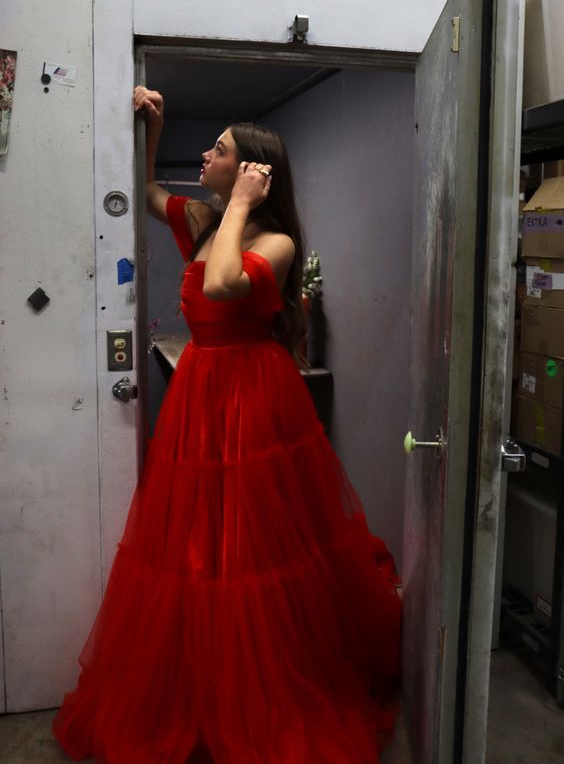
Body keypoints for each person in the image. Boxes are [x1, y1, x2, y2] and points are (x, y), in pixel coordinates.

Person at [51, 85, 403, 764]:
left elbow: (220, 287)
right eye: (211, 151)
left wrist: (239, 206)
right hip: (203, 392)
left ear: (251, 172)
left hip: (253, 395)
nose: (206, 156)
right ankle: (204, 680)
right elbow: (143, 189)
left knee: (255, 544)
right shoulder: (205, 222)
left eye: (220, 151)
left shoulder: (274, 240)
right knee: (197, 543)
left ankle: (260, 685)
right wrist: (154, 129)